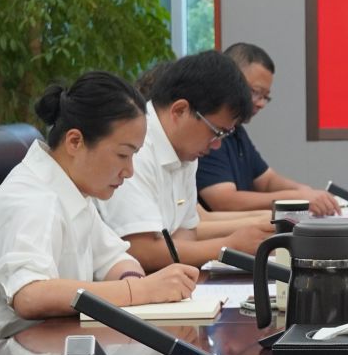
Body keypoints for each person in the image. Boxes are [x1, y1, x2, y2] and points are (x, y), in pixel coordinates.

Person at [0, 72, 199, 355]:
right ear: (75, 141)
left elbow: (114, 258)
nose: (129, 171)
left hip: (39, 351)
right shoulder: (32, 198)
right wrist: (141, 292)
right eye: (123, 155)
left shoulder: (72, 189)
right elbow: (30, 295)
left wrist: (133, 283)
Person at [102, 51, 276, 271]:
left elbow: (187, 232)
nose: (216, 145)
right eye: (216, 132)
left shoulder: (185, 150)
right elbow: (140, 250)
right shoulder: (136, 147)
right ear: (180, 110)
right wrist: (228, 246)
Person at [194, 43, 342, 218]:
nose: (261, 103)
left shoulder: (237, 130)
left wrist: (304, 191)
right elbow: (224, 201)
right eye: (256, 92)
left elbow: (266, 180)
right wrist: (296, 198)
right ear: (232, 80)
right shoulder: (209, 132)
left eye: (265, 97)